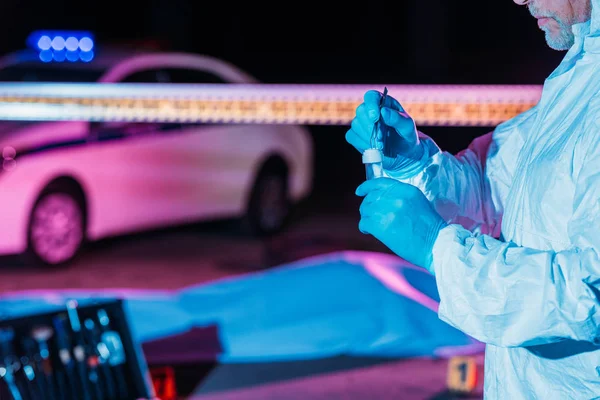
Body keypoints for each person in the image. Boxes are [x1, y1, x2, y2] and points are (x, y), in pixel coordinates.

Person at [346, 0, 600, 398]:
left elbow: (589, 293)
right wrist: (413, 160)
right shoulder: (581, 76)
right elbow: (493, 186)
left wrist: (440, 250)